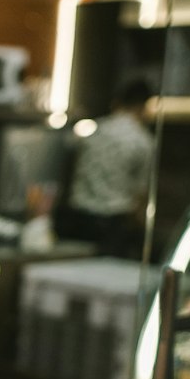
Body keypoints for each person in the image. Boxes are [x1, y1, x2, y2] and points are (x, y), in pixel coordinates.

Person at [57, 77, 155, 257]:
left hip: (77, 218)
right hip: (112, 225)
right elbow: (140, 195)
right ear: (143, 106)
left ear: (118, 102)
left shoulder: (94, 129)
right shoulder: (143, 141)